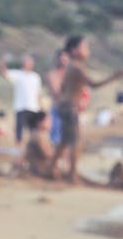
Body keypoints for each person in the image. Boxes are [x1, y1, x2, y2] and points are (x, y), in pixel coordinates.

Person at [46, 36, 123, 183]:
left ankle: (52, 166)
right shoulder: (77, 66)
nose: (87, 51)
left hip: (64, 105)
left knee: (64, 140)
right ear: (75, 50)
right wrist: (113, 77)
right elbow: (93, 84)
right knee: (74, 140)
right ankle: (72, 173)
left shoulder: (70, 66)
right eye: (84, 47)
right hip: (70, 107)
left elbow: (63, 88)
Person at [0, 54, 42, 145]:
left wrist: (40, 106)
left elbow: (38, 93)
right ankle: (18, 145)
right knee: (19, 129)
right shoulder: (18, 74)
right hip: (20, 106)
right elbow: (5, 73)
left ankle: (33, 146)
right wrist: (2, 62)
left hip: (33, 107)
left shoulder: (36, 77)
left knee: (33, 130)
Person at [46, 49, 69, 145]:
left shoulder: (71, 73)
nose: (64, 60)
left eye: (65, 58)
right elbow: (56, 93)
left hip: (70, 109)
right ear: (57, 59)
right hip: (58, 109)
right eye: (61, 58)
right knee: (56, 141)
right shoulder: (52, 74)